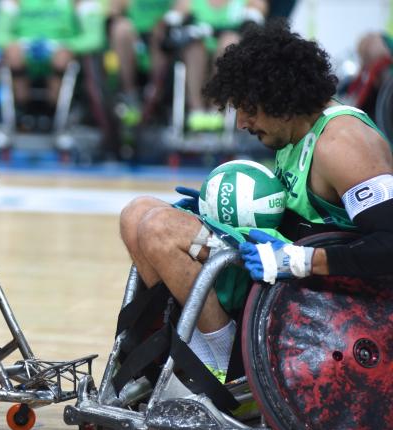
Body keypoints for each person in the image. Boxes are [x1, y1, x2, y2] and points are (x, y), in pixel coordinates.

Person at [118, 20, 393, 382]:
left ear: (282, 96)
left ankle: (225, 371)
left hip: (312, 293)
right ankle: (190, 352)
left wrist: (300, 260)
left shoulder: (342, 144)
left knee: (159, 229)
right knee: (136, 213)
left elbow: (388, 245)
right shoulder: (296, 133)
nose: (243, 122)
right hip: (269, 269)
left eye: (249, 108)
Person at [162, 0, 267, 132]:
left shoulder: (248, 2)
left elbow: (256, 25)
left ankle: (217, 109)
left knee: (229, 43)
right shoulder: (188, 3)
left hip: (227, 55)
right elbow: (170, 24)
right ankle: (196, 110)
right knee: (194, 48)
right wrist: (178, 23)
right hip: (199, 55)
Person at [0, 0, 105, 113]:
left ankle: (55, 110)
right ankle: (21, 109)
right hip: (24, 55)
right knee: (13, 54)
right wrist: (14, 46)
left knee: (62, 59)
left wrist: (70, 47)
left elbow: (95, 38)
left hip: (62, 55)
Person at [106, 0, 173, 126]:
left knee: (160, 31)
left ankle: (155, 95)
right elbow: (113, 10)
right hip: (134, 36)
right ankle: (129, 95)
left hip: (164, 36)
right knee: (121, 29)